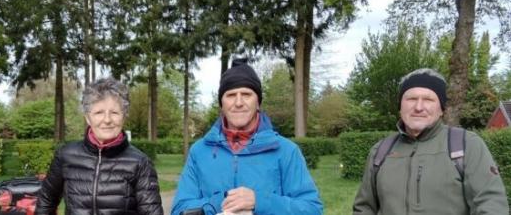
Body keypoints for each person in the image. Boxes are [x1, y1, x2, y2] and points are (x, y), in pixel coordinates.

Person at [171, 58, 323, 215]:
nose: (238, 102)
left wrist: (260, 202)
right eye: (230, 95)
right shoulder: (199, 152)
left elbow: (312, 209)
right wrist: (219, 203)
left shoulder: (286, 151)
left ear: (258, 102)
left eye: (246, 94)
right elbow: (179, 210)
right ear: (221, 104)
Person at [352, 68, 508, 214]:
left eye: (428, 99)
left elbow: (491, 205)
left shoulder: (467, 145)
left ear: (441, 109)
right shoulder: (380, 151)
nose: (419, 107)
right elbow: (364, 208)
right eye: (411, 99)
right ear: (400, 106)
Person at [35, 77, 163, 215]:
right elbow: (46, 201)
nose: (107, 120)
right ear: (88, 118)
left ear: (124, 116)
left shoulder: (140, 163)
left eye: (114, 112)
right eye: (99, 112)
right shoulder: (65, 155)